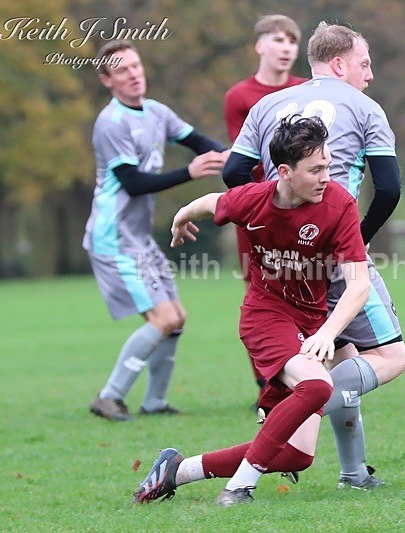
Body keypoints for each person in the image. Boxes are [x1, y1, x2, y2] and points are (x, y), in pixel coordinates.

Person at [133, 116, 370, 507]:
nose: (327, 176)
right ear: (285, 172)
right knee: (317, 388)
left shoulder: (339, 204)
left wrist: (327, 332)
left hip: (310, 324)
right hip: (265, 316)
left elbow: (358, 284)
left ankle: (177, 469)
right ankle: (240, 487)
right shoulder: (254, 199)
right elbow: (211, 203)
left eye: (328, 165)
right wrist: (180, 217)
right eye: (316, 169)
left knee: (297, 455)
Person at [223, 21, 405, 489]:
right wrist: (355, 239)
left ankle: (352, 473)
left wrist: (277, 227)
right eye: (365, 64)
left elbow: (233, 173)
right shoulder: (365, 107)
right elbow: (388, 189)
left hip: (286, 266)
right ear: (340, 63)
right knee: (389, 356)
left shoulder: (268, 105)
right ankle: (292, 400)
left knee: (343, 354)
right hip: (336, 256)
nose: (370, 75)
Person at [83, 40, 229, 421]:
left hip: (137, 237)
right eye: (122, 70)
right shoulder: (110, 124)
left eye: (136, 66)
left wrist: (238, 157)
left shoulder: (156, 112)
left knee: (176, 319)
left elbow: (200, 143)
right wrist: (189, 173)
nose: (133, 74)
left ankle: (154, 403)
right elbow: (132, 182)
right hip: (113, 237)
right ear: (107, 80)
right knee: (162, 319)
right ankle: (109, 396)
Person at [223, 14, 307, 403]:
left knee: (305, 286)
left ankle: (299, 371)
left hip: (301, 210)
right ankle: (266, 382)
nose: (287, 48)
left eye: (292, 41)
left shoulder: (307, 90)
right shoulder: (240, 96)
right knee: (262, 292)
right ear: (260, 46)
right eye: (278, 40)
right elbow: (244, 164)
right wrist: (263, 205)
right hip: (258, 211)